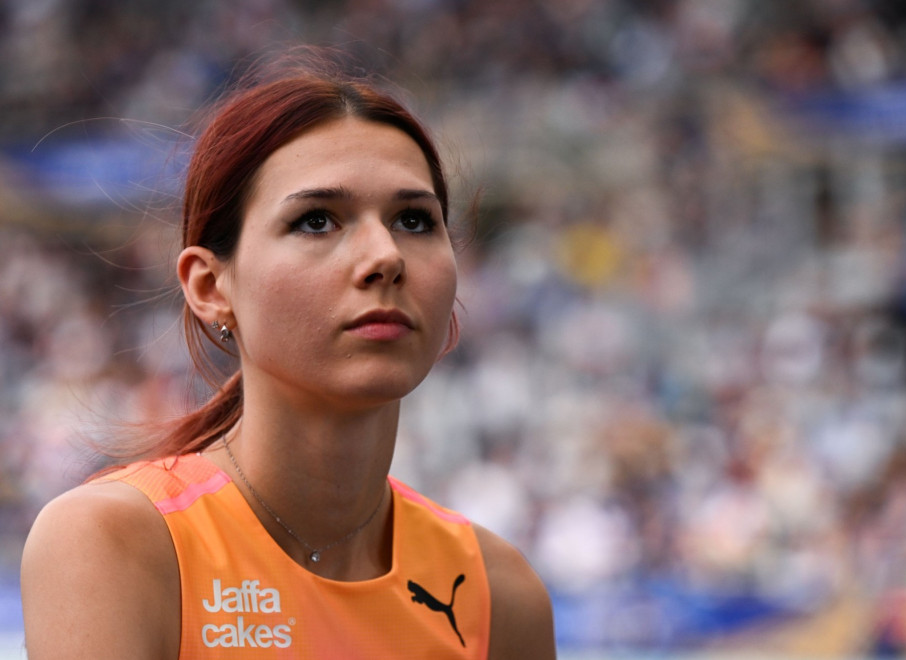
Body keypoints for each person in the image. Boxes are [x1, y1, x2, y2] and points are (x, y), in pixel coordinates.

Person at [20, 50, 556, 659]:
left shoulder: (498, 593)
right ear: (209, 287)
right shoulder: (118, 541)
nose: (386, 256)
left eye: (413, 220)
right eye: (317, 221)